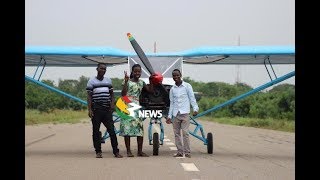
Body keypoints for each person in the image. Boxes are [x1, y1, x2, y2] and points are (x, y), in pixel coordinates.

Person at [86, 63, 123, 158]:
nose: (103, 70)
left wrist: (112, 105)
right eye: (101, 68)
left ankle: (116, 152)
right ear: (97, 69)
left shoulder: (108, 81)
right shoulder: (91, 81)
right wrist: (90, 109)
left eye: (105, 69)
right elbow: (89, 96)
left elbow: (112, 94)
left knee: (112, 130)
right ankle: (98, 151)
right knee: (96, 131)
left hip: (107, 110)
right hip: (96, 109)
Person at [119, 64, 154, 157]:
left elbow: (150, 91)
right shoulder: (127, 81)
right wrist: (126, 82)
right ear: (132, 72)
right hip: (126, 107)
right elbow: (123, 94)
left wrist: (151, 80)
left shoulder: (142, 83)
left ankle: (140, 151)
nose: (137, 73)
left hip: (137, 108)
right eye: (135, 71)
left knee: (139, 130)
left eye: (139, 71)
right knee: (127, 130)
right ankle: (128, 151)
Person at [166, 69, 199, 158]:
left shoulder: (187, 86)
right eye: (174, 76)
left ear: (180, 75)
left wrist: (195, 109)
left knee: (185, 133)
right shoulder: (172, 89)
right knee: (176, 134)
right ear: (172, 77)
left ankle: (187, 152)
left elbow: (192, 98)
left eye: (177, 75)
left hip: (185, 113)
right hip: (176, 114)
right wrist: (169, 116)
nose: (176, 77)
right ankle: (180, 152)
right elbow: (172, 103)